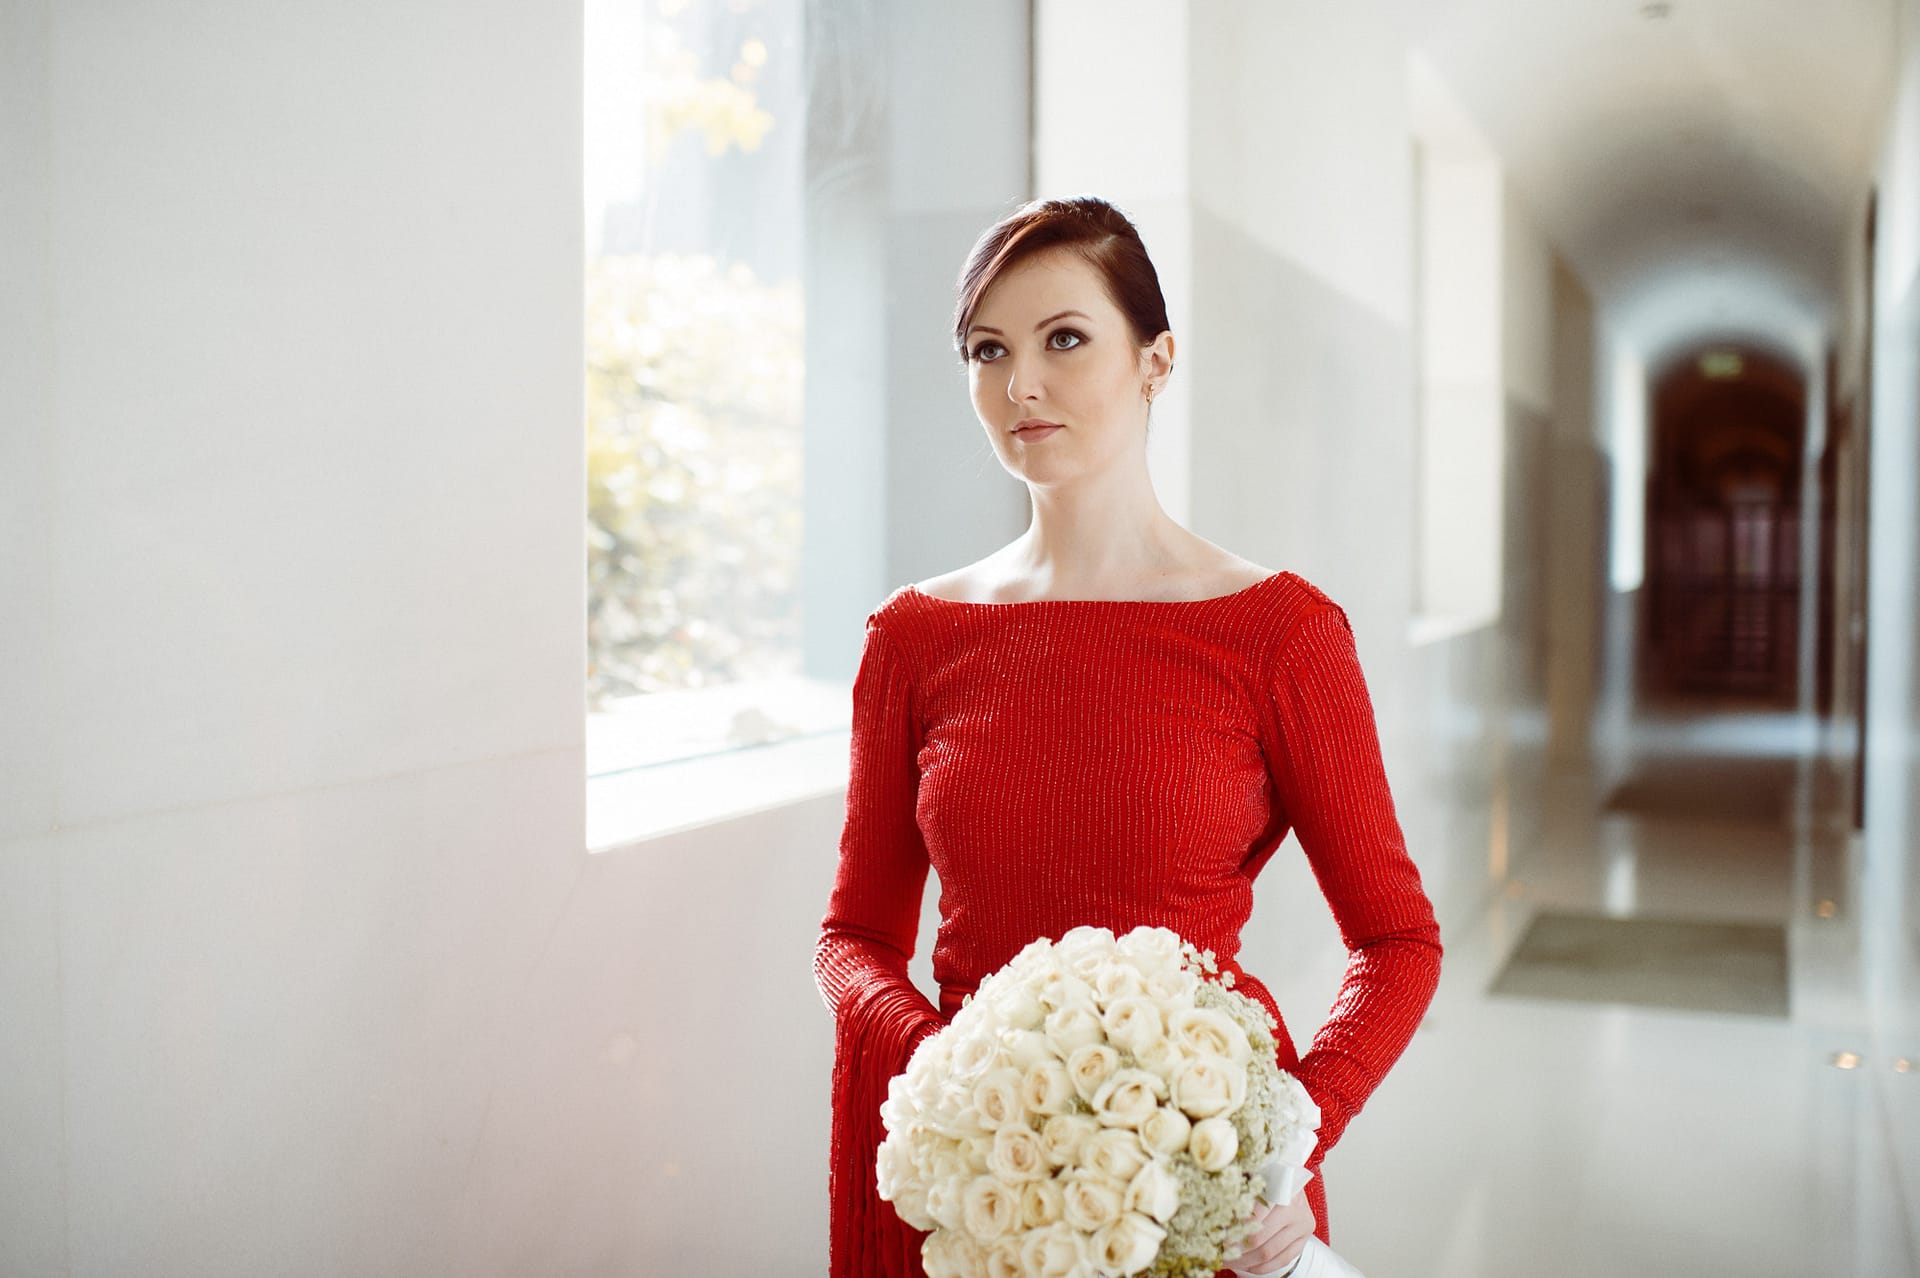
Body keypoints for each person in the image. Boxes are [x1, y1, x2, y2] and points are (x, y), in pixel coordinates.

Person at [813, 194, 1442, 1277]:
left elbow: (1397, 942)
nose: (1021, 386)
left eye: (1065, 339)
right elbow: (854, 940)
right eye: (987, 350)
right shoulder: (913, 637)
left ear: (1156, 360)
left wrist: (1289, 1131)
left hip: (1207, 1185)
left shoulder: (1281, 634)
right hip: (982, 1183)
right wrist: (962, 1084)